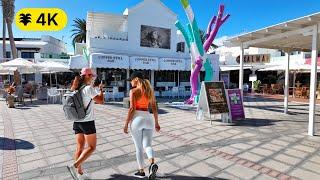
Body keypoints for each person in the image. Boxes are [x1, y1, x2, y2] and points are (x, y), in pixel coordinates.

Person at [67, 68, 104, 180]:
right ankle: (74, 166)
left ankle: (80, 174)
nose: (93, 78)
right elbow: (101, 101)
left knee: (79, 148)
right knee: (92, 147)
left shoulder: (75, 87)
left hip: (77, 121)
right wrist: (101, 90)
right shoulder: (88, 88)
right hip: (87, 122)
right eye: (92, 76)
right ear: (87, 75)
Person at [123, 71, 160, 179]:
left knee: (138, 148)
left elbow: (132, 108)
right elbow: (154, 108)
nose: (130, 83)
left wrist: (126, 124)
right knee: (147, 145)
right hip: (149, 118)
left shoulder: (133, 91)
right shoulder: (149, 91)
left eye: (131, 80)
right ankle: (152, 163)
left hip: (137, 119)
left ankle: (141, 171)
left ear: (136, 79)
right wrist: (157, 123)